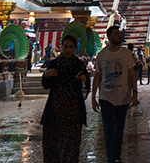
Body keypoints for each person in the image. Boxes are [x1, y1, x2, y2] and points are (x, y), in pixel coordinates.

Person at [92, 26, 138, 163]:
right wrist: (93, 97)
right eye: (116, 34)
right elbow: (97, 77)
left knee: (119, 129)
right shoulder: (102, 55)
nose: (119, 35)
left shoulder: (126, 54)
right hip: (105, 97)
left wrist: (135, 93)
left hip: (123, 97)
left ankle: (117, 156)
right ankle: (111, 158)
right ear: (109, 37)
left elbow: (132, 75)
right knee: (108, 129)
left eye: (119, 33)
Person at [41, 34, 89, 163]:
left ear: (75, 48)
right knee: (53, 146)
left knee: (71, 146)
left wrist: (85, 80)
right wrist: (46, 75)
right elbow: (46, 86)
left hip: (73, 112)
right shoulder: (54, 64)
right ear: (62, 47)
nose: (68, 49)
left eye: (71, 47)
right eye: (66, 46)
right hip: (55, 111)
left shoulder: (79, 65)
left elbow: (86, 88)